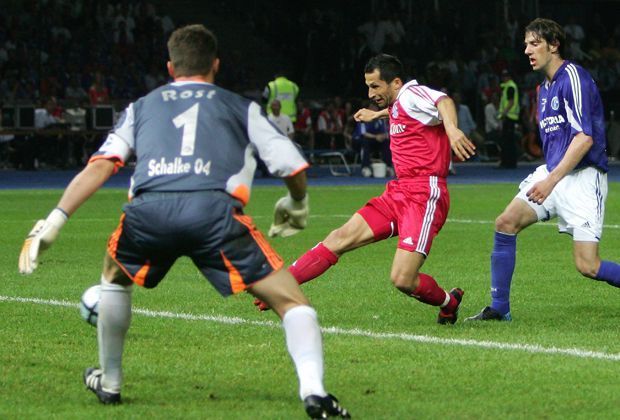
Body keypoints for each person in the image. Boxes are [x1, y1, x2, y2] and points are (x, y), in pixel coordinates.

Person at [17, 25, 349, 419]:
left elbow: (103, 165)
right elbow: (291, 165)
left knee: (114, 277)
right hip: (214, 213)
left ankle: (110, 381)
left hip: (148, 211)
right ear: (216, 64)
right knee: (293, 302)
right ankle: (315, 393)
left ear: (170, 67)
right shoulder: (240, 107)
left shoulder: (141, 107)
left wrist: (55, 219)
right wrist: (297, 202)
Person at [255, 54, 476, 324]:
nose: (370, 93)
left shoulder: (413, 93)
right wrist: (378, 114)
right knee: (339, 238)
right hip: (397, 192)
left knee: (402, 278)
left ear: (395, 83)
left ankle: (448, 302)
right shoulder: (400, 102)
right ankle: (282, 286)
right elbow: (402, 111)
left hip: (423, 195)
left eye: (375, 86)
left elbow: (443, 101)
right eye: (368, 86)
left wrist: (452, 129)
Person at [467, 18, 620, 322]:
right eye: (526, 44)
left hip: (582, 179)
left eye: (535, 43)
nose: (527, 50)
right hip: (553, 174)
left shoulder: (572, 77)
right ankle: (499, 308)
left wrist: (550, 181)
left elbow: (585, 138)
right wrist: (549, 178)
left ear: (554, 45)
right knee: (506, 222)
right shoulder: (543, 89)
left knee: (588, 266)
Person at [352, 102, 392, 177]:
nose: (373, 109)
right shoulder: (363, 118)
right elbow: (364, 133)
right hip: (359, 142)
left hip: (374, 141)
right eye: (372, 107)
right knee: (365, 142)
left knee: (386, 142)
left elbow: (385, 133)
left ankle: (388, 167)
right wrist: (376, 137)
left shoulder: (380, 119)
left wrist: (382, 136)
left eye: (375, 108)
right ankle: (365, 168)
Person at [497, 68, 520, 168]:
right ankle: (508, 162)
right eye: (503, 76)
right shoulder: (508, 86)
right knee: (508, 141)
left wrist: (503, 114)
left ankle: (508, 163)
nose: (504, 78)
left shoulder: (510, 86)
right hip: (510, 117)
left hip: (509, 117)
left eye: (506, 76)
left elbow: (511, 102)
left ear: (509, 77)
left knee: (508, 141)